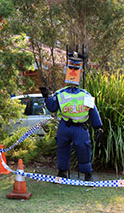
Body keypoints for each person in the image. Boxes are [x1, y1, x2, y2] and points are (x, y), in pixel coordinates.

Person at [40, 51, 103, 181]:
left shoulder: (85, 94)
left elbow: (93, 111)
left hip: (80, 127)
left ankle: (87, 174)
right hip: (65, 125)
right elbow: (52, 107)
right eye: (71, 68)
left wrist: (98, 127)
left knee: (83, 148)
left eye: (76, 68)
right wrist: (47, 97)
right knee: (62, 148)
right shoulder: (60, 94)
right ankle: (62, 172)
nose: (73, 71)